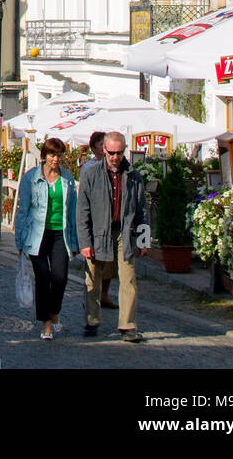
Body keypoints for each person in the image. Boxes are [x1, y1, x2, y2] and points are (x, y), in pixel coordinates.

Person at [76, 130, 148, 342]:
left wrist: (143, 240)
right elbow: (82, 211)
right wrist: (84, 242)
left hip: (124, 233)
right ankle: (91, 321)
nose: (115, 157)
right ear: (104, 150)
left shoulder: (134, 176)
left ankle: (128, 326)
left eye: (119, 152)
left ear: (124, 151)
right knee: (92, 280)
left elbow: (142, 210)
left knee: (129, 279)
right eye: (111, 153)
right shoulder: (91, 174)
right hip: (98, 232)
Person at [14, 136, 79, 340]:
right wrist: (20, 240)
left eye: (59, 155)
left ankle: (54, 312)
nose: (55, 159)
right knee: (43, 278)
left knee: (59, 277)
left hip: (61, 233)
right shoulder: (31, 178)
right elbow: (23, 210)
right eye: (52, 154)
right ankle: (46, 324)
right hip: (37, 235)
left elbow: (73, 212)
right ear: (44, 155)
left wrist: (75, 241)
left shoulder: (67, 179)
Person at [82, 131, 115, 309]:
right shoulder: (89, 168)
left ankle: (104, 295)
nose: (104, 148)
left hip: (111, 222)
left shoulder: (115, 166)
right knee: (94, 266)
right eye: (101, 144)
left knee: (110, 265)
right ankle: (90, 303)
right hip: (95, 222)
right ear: (93, 147)